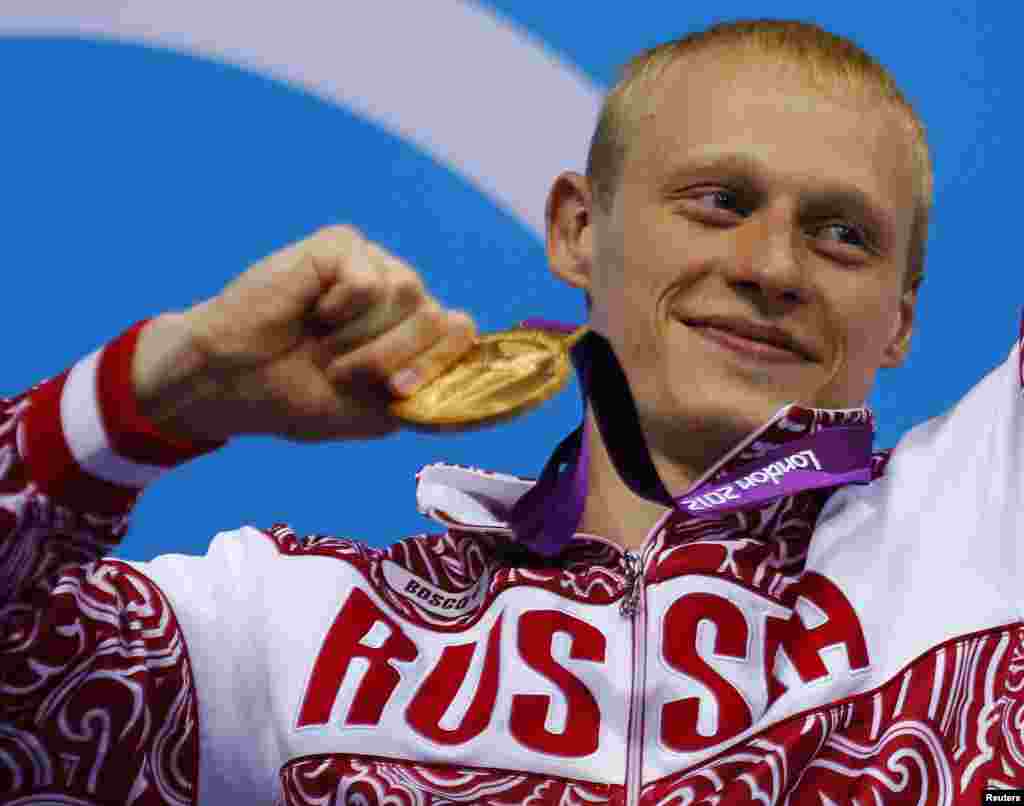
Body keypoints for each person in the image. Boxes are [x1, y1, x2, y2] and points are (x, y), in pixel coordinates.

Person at [1, 17, 1020, 806]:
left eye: (842, 234)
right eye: (717, 201)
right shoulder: (295, 635)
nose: (768, 268)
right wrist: (155, 397)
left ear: (899, 319)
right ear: (579, 229)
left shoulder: (981, 525)